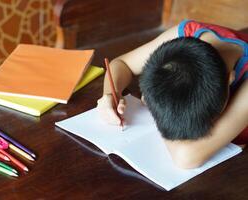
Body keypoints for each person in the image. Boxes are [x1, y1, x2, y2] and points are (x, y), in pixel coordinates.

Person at [97, 20, 248, 169]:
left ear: (230, 78)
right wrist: (111, 93)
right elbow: (122, 64)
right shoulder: (184, 37)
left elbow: (186, 157)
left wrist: (159, 108)